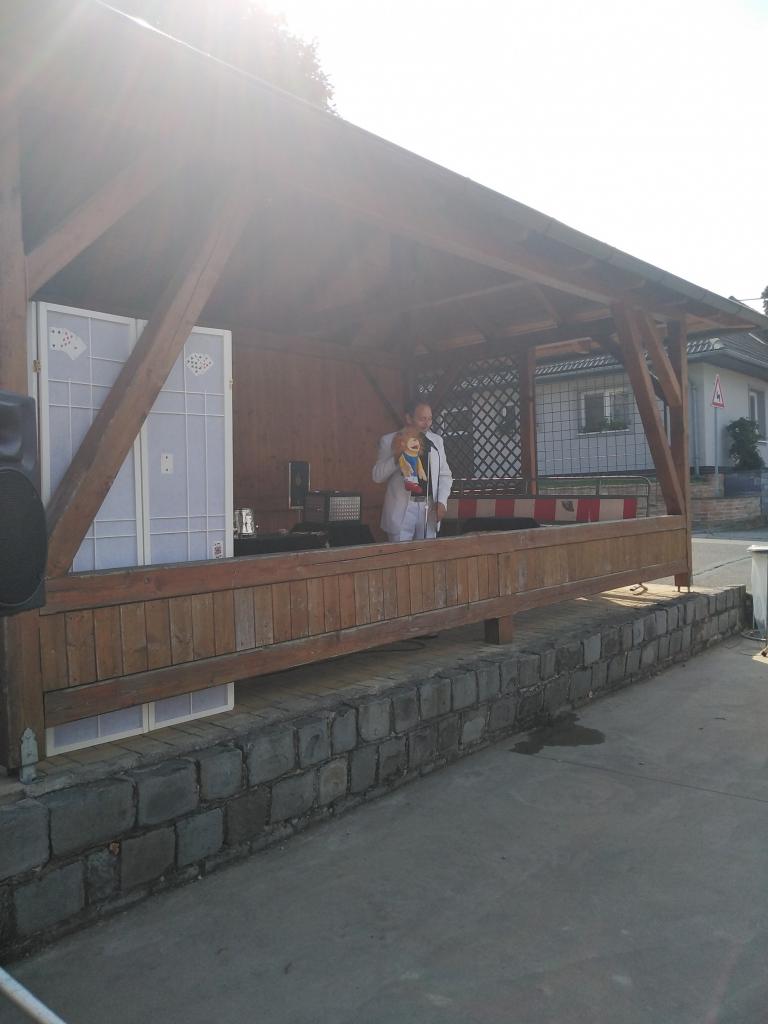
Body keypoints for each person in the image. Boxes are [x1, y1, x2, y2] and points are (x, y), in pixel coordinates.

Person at [372, 399, 453, 542]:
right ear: (409, 418)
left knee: (427, 552)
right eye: (422, 419)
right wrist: (398, 457)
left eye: (429, 419)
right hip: (402, 508)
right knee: (400, 554)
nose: (427, 423)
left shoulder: (436, 441)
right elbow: (377, 476)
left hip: (428, 506)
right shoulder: (389, 440)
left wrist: (442, 501)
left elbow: (445, 475)